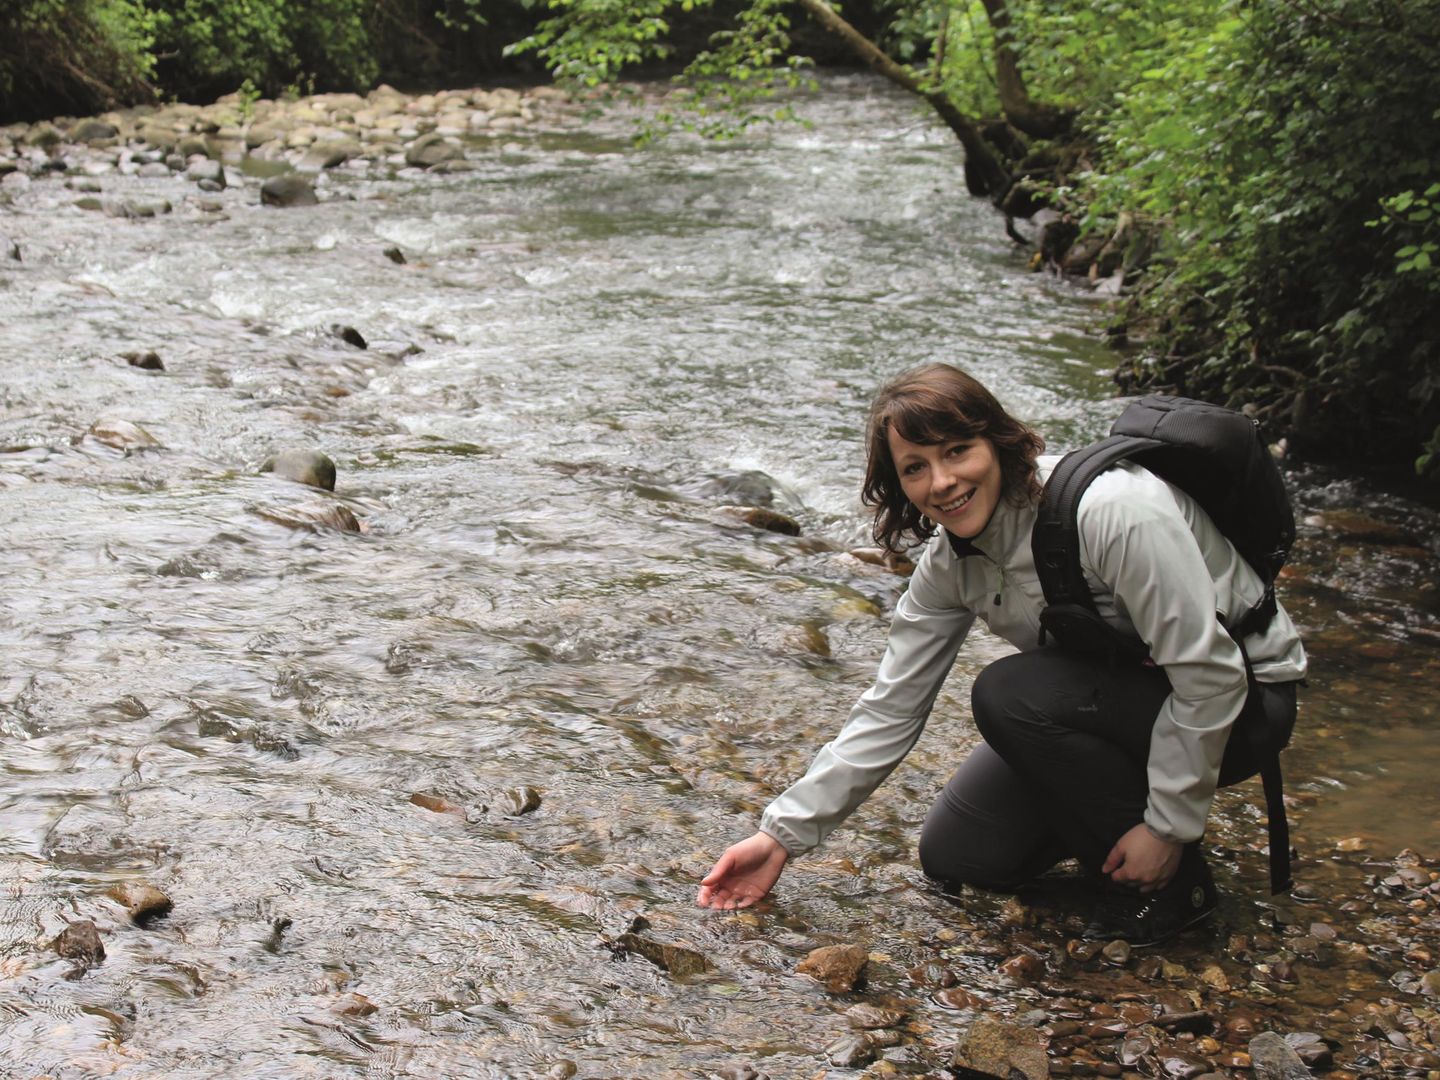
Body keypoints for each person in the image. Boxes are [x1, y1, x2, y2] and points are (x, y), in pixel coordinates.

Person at [696, 363, 1307, 945]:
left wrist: (1167, 828)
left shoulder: (1113, 512)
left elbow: (1211, 674)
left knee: (1007, 694)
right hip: (1128, 705)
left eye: (957, 451)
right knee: (960, 857)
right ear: (898, 486)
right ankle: (1112, 837)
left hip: (1247, 703)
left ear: (1000, 443)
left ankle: (1176, 887)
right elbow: (892, 707)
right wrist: (779, 836)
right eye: (915, 468)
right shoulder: (949, 565)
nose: (941, 483)